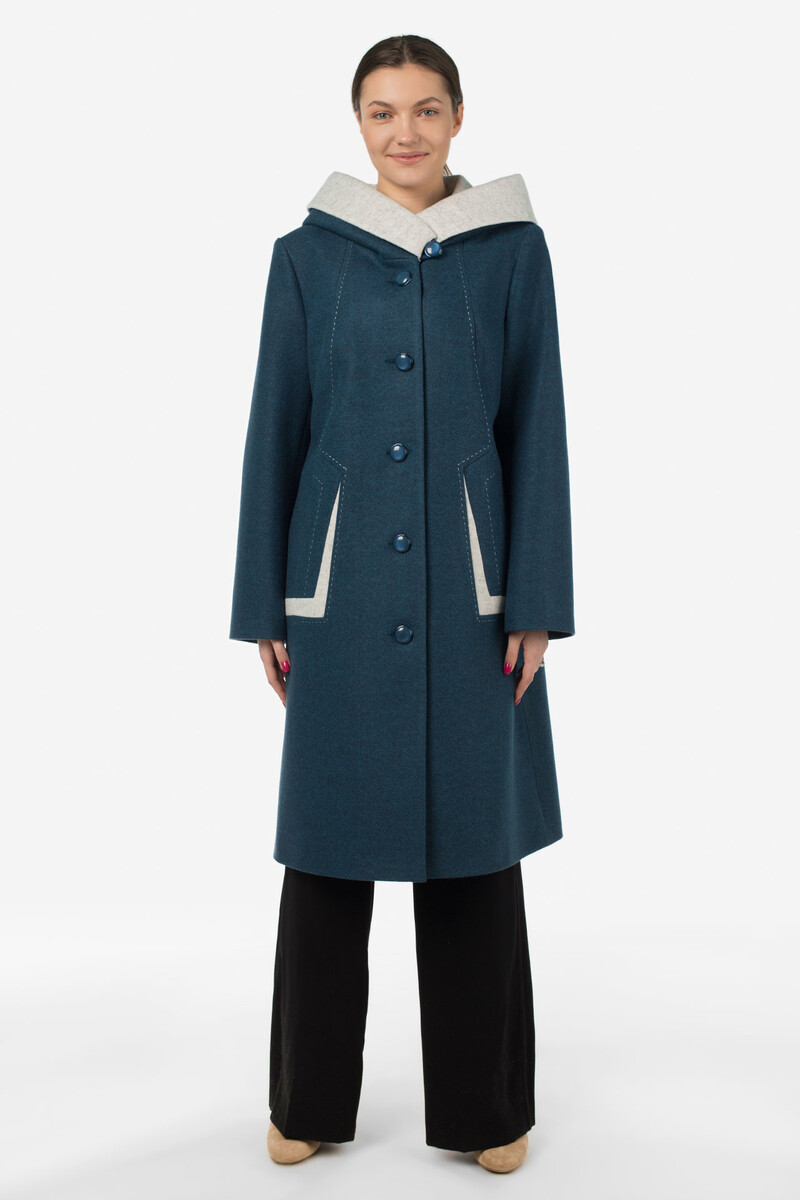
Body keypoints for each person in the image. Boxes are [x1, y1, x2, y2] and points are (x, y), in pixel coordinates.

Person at [229, 33, 575, 1174]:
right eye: (382, 112)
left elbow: (537, 425)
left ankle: (488, 1111)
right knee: (327, 853)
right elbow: (275, 429)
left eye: (426, 109)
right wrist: (266, 604)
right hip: (335, 595)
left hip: (477, 598)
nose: (405, 132)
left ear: (458, 117)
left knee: (475, 848)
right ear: (358, 124)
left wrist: (534, 599)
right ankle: (305, 1101)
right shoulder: (304, 258)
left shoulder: (511, 252)